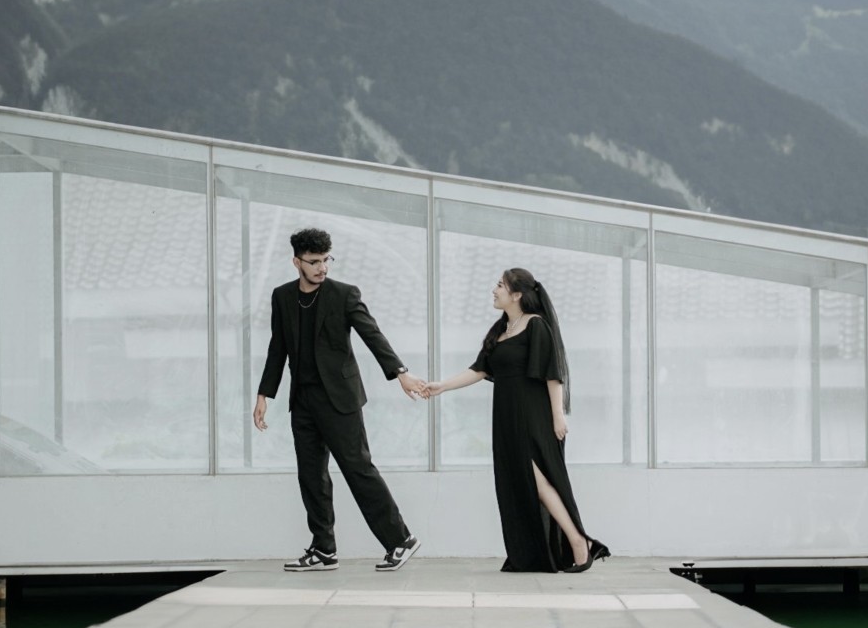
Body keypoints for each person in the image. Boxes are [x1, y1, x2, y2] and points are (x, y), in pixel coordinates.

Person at [254, 227, 426, 573]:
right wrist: (264, 394)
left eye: (326, 260)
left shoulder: (344, 294)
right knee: (311, 476)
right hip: (303, 400)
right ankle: (323, 549)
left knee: (358, 469)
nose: (322, 268)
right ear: (297, 262)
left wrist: (400, 372)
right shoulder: (282, 296)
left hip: (339, 399)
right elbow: (278, 348)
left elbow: (372, 334)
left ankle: (401, 540)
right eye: (314, 262)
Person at [425, 268, 609, 573]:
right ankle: (548, 549)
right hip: (506, 417)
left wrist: (558, 416)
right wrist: (442, 386)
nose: (494, 290)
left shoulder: (536, 326)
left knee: (538, 480)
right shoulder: (501, 329)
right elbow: (480, 369)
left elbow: (553, 374)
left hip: (533, 415)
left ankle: (580, 542)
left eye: (500, 285)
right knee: (523, 482)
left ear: (517, 294)